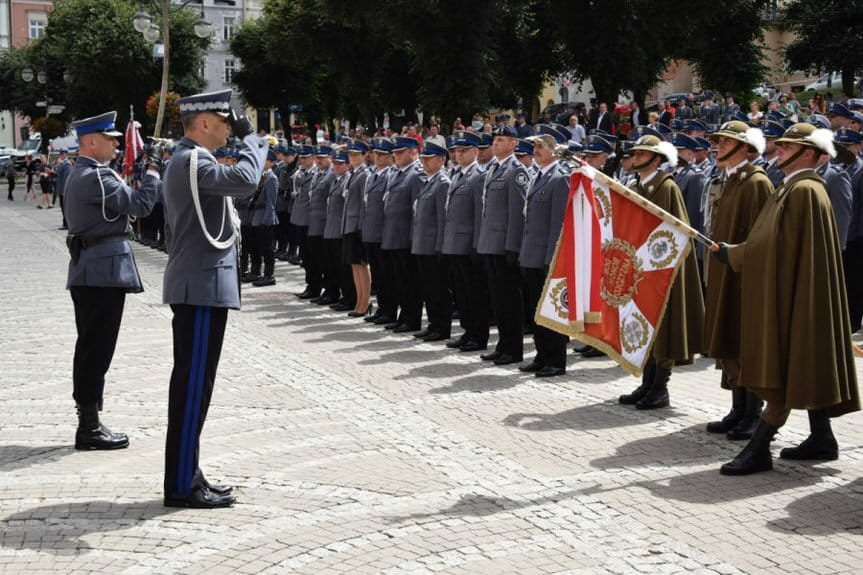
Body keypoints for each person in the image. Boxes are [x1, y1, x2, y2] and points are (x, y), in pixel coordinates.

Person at [711, 123, 860, 475]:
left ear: (808, 154)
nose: (778, 150)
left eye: (788, 146)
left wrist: (736, 255)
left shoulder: (805, 190)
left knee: (791, 363)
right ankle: (822, 438)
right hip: (795, 287)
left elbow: (773, 245)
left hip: (796, 291)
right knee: (803, 363)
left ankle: (760, 447)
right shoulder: (793, 188)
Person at [161, 89, 267, 507]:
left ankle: (189, 472)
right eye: (224, 122)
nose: (229, 129)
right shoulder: (192, 160)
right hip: (200, 287)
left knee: (196, 387)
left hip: (203, 285)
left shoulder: (193, 161)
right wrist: (251, 138)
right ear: (203, 122)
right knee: (191, 388)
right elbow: (245, 180)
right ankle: (182, 484)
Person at [64, 111, 161, 451]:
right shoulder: (94, 177)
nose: (116, 144)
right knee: (96, 349)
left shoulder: (90, 173)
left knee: (93, 347)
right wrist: (152, 172)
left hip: (96, 270)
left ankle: (89, 421)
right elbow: (142, 205)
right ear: (91, 141)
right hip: (100, 273)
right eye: (110, 139)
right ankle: (88, 427)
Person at [618, 135, 704, 409]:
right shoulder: (636, 185)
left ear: (656, 158)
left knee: (664, 328)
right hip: (640, 267)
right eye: (635, 153)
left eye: (642, 154)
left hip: (661, 269)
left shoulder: (666, 187)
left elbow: (678, 231)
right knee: (645, 326)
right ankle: (647, 382)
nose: (635, 157)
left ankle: (659, 387)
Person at [702, 121, 773, 441]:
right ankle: (737, 407)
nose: (718, 146)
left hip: (744, 276)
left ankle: (752, 413)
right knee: (729, 340)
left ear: (745, 148)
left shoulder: (755, 182)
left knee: (745, 343)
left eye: (725, 141)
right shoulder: (731, 180)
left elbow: (761, 237)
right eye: (717, 141)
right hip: (724, 271)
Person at [519, 127, 571, 377]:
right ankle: (541, 355)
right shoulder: (538, 176)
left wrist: (553, 258)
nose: (536, 151)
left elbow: (558, 223)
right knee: (536, 309)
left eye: (542, 146)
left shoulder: (560, 178)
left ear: (556, 150)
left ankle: (556, 360)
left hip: (547, 255)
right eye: (535, 146)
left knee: (552, 310)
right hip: (531, 252)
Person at [476, 126, 530, 365]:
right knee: (497, 299)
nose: (495, 144)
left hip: (504, 245)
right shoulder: (492, 169)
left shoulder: (516, 171)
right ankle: (502, 344)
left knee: (509, 299)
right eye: (494, 140)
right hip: (489, 242)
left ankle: (513, 348)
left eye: (500, 140)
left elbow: (517, 212)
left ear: (513, 144)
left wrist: (513, 246)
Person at [441, 131, 489, 351]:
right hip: (454, 243)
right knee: (461, 292)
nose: (458, 154)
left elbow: (480, 214)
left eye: (463, 150)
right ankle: (467, 331)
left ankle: (478, 336)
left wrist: (477, 245)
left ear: (475, 152)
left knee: (474, 293)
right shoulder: (457, 174)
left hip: (469, 243)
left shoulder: (479, 176)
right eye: (456, 151)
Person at [380, 136, 425, 332]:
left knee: (410, 281)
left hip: (406, 237)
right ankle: (403, 315)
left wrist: (412, 238)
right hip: (393, 235)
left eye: (401, 152)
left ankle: (411, 318)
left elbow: (417, 210)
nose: (396, 156)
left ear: (413, 152)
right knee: (399, 280)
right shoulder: (398, 174)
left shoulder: (416, 175)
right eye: (395, 153)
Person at [411, 142, 451, 341]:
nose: (425, 162)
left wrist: (440, 246)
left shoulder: (443, 183)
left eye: (429, 158)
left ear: (442, 160)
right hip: (422, 244)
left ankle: (441, 327)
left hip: (433, 245)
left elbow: (443, 219)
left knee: (438, 288)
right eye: (423, 159)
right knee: (428, 287)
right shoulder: (429, 182)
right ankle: (433, 324)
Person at [362, 138, 396, 325]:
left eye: (382, 155)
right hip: (371, 232)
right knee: (377, 274)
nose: (378, 158)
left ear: (390, 157)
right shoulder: (372, 175)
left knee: (387, 275)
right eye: (376, 154)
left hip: (383, 233)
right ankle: (382, 308)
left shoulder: (390, 176)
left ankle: (389, 310)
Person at [341, 140, 371, 317]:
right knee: (355, 265)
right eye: (351, 155)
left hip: (357, 225)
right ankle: (360, 300)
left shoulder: (364, 175)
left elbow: (363, 204)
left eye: (356, 155)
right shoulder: (353, 174)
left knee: (362, 264)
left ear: (364, 155)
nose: (353, 158)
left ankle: (365, 302)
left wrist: (360, 227)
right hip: (349, 224)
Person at [323, 148, 355, 310]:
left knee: (344, 267)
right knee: (332, 265)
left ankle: (349, 297)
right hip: (331, 228)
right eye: (334, 163)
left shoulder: (347, 180)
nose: (336, 166)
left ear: (348, 165)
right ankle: (334, 293)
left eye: (339, 164)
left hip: (340, 229)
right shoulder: (336, 180)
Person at [306, 145, 337, 304]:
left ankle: (330, 291)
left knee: (326, 261)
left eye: (322, 158)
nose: (318, 161)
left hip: (325, 223)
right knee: (314, 258)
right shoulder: (318, 174)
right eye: (317, 158)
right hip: (314, 222)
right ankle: (314, 287)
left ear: (330, 158)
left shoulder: (332, 174)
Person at [249, 149, 279, 287]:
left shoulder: (272, 178)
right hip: (257, 216)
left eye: (265, 160)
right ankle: (258, 273)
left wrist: (267, 220)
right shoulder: (262, 176)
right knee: (258, 247)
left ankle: (269, 275)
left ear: (272, 162)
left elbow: (271, 202)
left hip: (265, 218)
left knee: (268, 249)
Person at [54, 151, 73, 229]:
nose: (60, 156)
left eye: (62, 154)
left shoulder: (67, 164)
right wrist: (58, 164)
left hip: (64, 190)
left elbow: (66, 178)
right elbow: (57, 172)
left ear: (65, 155)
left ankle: (67, 224)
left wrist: (65, 191)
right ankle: (65, 223)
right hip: (62, 189)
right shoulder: (62, 164)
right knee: (62, 207)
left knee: (65, 207)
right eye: (60, 154)